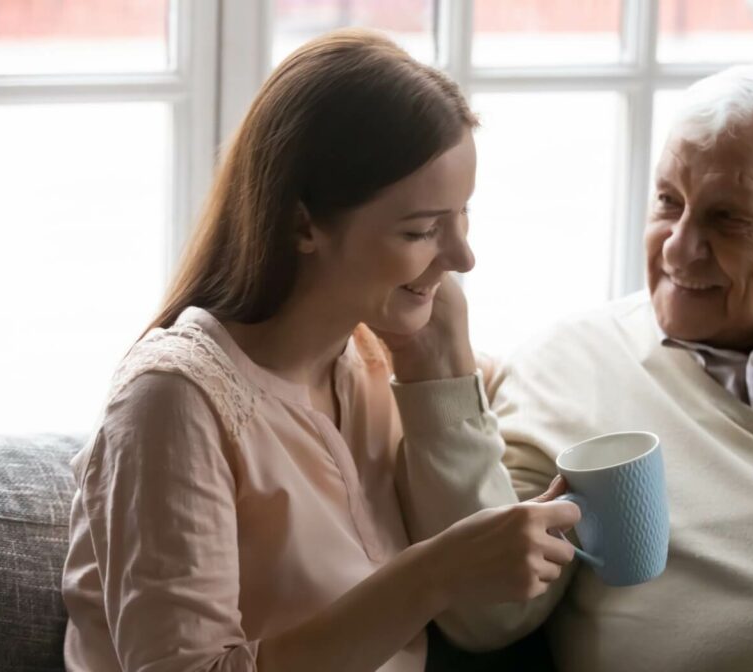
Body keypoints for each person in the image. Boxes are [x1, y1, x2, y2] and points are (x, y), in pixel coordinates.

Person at [392, 65, 753, 672]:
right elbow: (484, 613)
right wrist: (437, 372)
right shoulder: (567, 367)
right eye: (668, 202)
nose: (677, 247)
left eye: (727, 218)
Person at [60, 29, 583, 672]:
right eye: (421, 229)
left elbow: (490, 619)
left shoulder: (373, 358)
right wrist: (434, 572)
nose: (462, 258)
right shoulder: (173, 403)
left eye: (462, 217)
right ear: (302, 224)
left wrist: (441, 371)